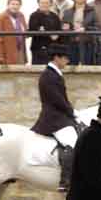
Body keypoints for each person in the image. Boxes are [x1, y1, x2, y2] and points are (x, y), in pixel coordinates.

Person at [32, 44, 82, 191]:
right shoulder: (48, 76)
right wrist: (71, 112)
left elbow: (62, 99)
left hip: (60, 116)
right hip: (53, 119)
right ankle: (65, 181)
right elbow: (57, 100)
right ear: (56, 58)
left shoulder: (55, 74)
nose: (67, 61)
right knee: (72, 144)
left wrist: (73, 112)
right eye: (65, 58)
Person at [61, 0, 100, 65]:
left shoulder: (92, 11)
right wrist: (66, 28)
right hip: (71, 46)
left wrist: (85, 29)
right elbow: (63, 27)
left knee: (87, 70)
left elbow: (97, 28)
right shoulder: (67, 12)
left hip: (87, 46)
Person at [0, 0, 28, 65]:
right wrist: (0, 58)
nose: (15, 6)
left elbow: (25, 32)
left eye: (17, 4)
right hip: (7, 55)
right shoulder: (0, 18)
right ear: (8, 5)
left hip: (20, 52)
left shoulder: (21, 16)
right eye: (13, 4)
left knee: (21, 75)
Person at [28, 0, 62, 66]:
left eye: (47, 3)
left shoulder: (55, 17)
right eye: (42, 2)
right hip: (38, 51)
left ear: (50, 4)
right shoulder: (33, 16)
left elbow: (58, 32)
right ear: (38, 3)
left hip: (53, 51)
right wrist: (49, 33)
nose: (44, 5)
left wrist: (44, 29)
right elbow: (33, 30)